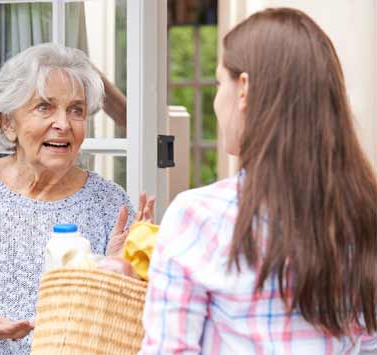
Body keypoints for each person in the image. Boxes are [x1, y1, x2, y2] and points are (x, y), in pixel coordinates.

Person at [139, 8, 377, 354]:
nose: (218, 100)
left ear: (244, 89)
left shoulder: (200, 217)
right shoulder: (363, 214)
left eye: (220, 83)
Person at [0, 43, 154, 355]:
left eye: (75, 110)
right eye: (44, 107)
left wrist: (120, 272)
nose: (63, 124)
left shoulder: (109, 203)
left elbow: (133, 327)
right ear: (8, 124)